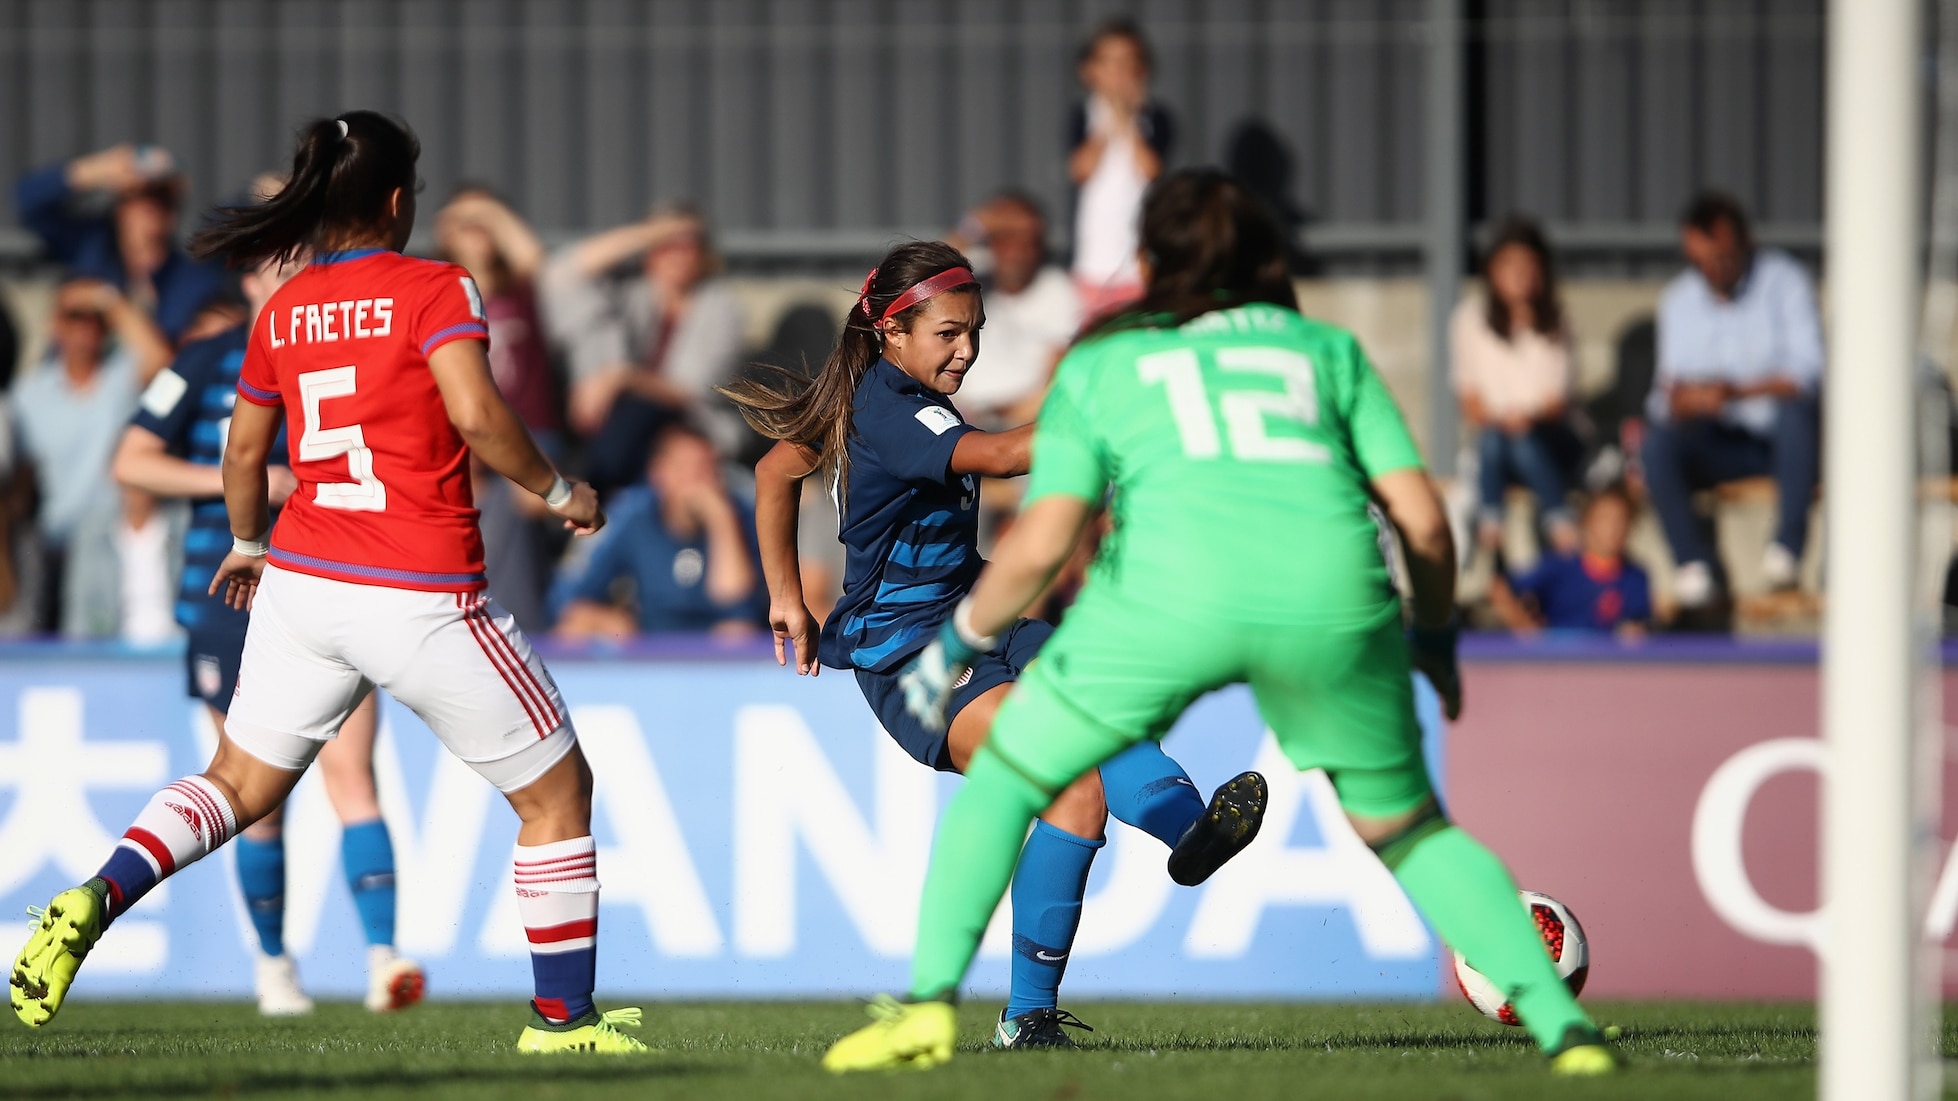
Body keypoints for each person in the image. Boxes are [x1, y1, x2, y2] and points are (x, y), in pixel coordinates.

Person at [821, 170, 1619, 1077]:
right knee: (1409, 825)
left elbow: (1040, 535)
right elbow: (1425, 521)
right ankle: (1563, 1030)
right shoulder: (1324, 351)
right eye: (952, 333)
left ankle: (938, 1000)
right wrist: (1432, 635)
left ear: (1151, 261)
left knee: (1028, 777)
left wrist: (964, 634)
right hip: (1320, 593)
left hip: (1181, 595)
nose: (966, 348)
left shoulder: (1116, 361)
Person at [10, 111, 646, 1057]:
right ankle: (563, 1022)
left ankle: (99, 893)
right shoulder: (436, 288)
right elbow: (477, 413)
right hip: (419, 588)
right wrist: (560, 490)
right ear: (393, 203)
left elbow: (242, 451)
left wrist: (245, 541)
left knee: (235, 782)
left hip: (302, 581)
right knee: (558, 793)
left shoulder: (286, 307)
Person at [723, 240, 1268, 1049]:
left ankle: (1192, 834)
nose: (967, 348)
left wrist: (787, 597)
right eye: (948, 332)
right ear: (892, 332)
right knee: (1072, 787)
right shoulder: (889, 407)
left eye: (974, 330)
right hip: (908, 655)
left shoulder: (891, 396)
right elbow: (1011, 455)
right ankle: (1026, 1017)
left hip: (982, 616)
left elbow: (775, 470)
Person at [111, 251, 424, 1016]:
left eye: (306, 265)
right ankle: (275, 966)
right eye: (279, 267)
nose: (295, 280)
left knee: (354, 772)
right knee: (255, 797)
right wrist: (239, 481)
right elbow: (133, 461)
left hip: (334, 591)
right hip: (230, 600)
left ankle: (384, 959)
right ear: (250, 279)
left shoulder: (348, 352)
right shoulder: (204, 360)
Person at [1641, 192, 1822, 608]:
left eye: (1721, 258)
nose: (1712, 271)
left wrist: (1736, 392)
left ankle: (1787, 550)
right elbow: (1661, 395)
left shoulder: (1785, 281)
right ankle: (1692, 567)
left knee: (1796, 413)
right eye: (1700, 261)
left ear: (1746, 244)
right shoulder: (1678, 300)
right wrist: (1686, 400)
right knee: (1659, 443)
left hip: (1781, 441)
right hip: (1716, 439)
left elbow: (1810, 373)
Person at [540, 204, 747, 488]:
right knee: (593, 326)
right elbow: (559, 276)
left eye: (687, 245)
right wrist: (648, 233)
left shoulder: (721, 308)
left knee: (629, 425)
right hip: (611, 422)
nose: (675, 255)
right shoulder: (631, 290)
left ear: (704, 254)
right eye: (665, 244)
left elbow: (689, 391)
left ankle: (594, 484)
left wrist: (619, 377)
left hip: (689, 425)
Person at [435, 186, 563, 633]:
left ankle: (521, 618)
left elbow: (534, 258)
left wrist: (486, 212)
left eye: (487, 222)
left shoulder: (523, 292)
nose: (479, 229)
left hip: (529, 433)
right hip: (464, 429)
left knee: (526, 497)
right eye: (466, 223)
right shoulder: (438, 295)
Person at [11, 279, 162, 636]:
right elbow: (20, 477)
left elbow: (160, 360)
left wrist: (109, 299)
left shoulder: (120, 378)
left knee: (93, 641)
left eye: (95, 317)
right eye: (74, 315)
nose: (85, 326)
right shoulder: (29, 393)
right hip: (50, 546)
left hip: (108, 542)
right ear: (55, 324)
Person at [549, 422, 767, 638]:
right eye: (685, 469)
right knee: (577, 627)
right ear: (658, 472)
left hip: (715, 645)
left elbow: (737, 601)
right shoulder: (631, 513)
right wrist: (611, 619)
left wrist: (722, 520)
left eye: (706, 469)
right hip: (647, 642)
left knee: (739, 633)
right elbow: (567, 596)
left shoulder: (742, 513)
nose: (697, 482)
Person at [1454, 218, 1582, 556]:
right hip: (1497, 442)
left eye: (1528, 265)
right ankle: (1554, 521)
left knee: (1520, 439)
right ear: (1491, 270)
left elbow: (1557, 403)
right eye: (1509, 264)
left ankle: (1495, 522)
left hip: (1551, 438)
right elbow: (1470, 401)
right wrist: (1506, 420)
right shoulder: (1469, 318)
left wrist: (1525, 418)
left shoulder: (1558, 321)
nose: (1519, 274)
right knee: (1496, 438)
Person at [15, 144, 229, 346]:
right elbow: (29, 202)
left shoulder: (192, 278)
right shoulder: (90, 248)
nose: (152, 206)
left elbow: (168, 352)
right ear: (119, 206)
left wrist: (107, 299)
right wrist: (99, 169)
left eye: (162, 197)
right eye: (139, 194)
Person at [946, 192, 1082, 430]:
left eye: (1027, 242)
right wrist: (976, 225)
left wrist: (999, 422)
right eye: (1006, 239)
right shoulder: (972, 280)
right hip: (955, 416)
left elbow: (1059, 377)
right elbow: (925, 275)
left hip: (1020, 426)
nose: (1017, 252)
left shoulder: (1058, 291)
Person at [1067, 18, 1172, 318]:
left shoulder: (1155, 117)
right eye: (1109, 63)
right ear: (1089, 71)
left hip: (1138, 263)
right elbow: (1081, 170)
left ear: (1142, 70)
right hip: (1092, 262)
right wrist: (1107, 121)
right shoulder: (1084, 115)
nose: (1118, 73)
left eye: (1126, 63)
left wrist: (1129, 118)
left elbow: (1151, 169)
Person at [1490, 488, 1652, 635]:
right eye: (1604, 519)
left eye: (1621, 520)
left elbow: (1635, 626)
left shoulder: (1635, 576)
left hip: (1605, 657)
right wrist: (1523, 626)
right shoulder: (1560, 565)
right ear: (1587, 523)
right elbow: (1499, 587)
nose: (1613, 528)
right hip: (1557, 655)